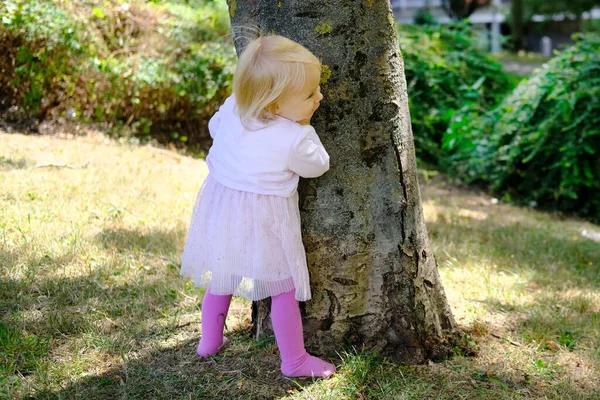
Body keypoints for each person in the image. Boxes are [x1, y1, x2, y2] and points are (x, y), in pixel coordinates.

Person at [180, 34, 335, 378]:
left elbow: (214, 126)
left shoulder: (235, 106)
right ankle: (294, 360)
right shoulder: (294, 138)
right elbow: (318, 165)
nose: (319, 97)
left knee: (222, 274)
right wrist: (307, 129)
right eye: (310, 95)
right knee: (283, 288)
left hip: (223, 208)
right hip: (267, 218)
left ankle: (209, 341)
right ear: (276, 106)